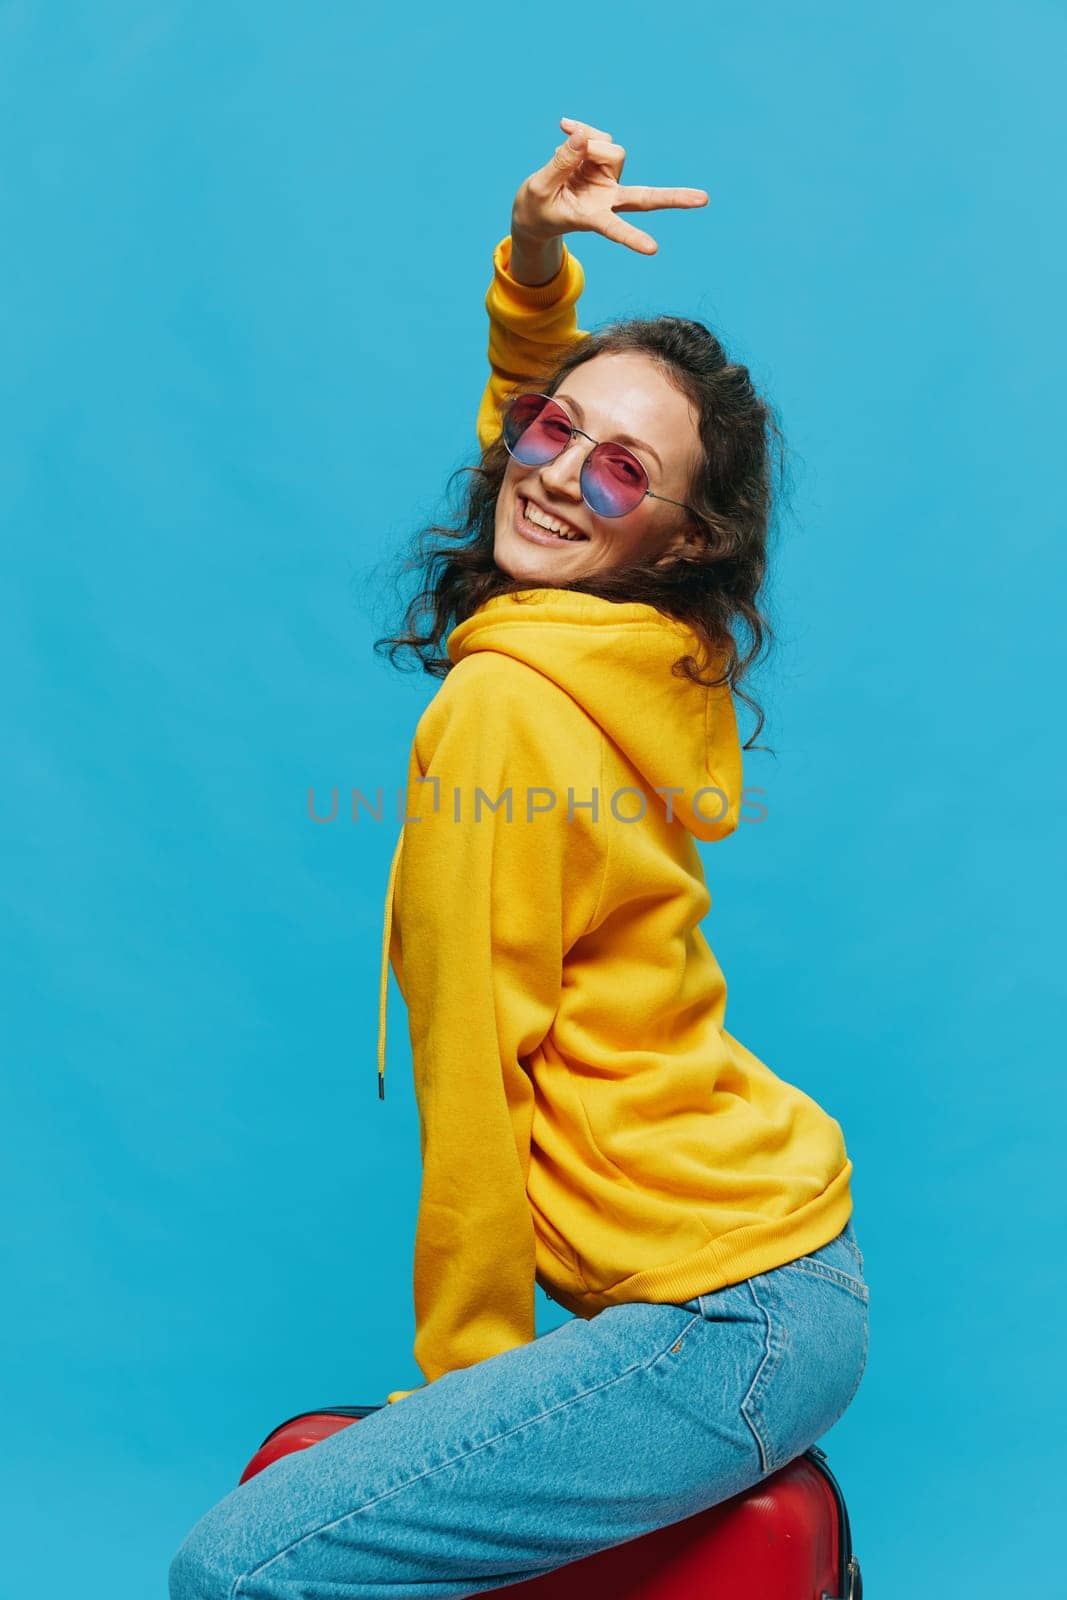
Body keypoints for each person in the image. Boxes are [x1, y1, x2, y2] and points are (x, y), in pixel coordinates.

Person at [169, 116, 870, 1600]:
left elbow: (477, 1073)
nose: (556, 478)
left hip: (722, 1313)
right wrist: (537, 261)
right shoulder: (641, 645)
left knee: (241, 1573)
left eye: (621, 474)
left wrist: (472, 1378)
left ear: (675, 538)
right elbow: (551, 462)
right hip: (785, 1284)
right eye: (554, 431)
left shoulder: (505, 706)